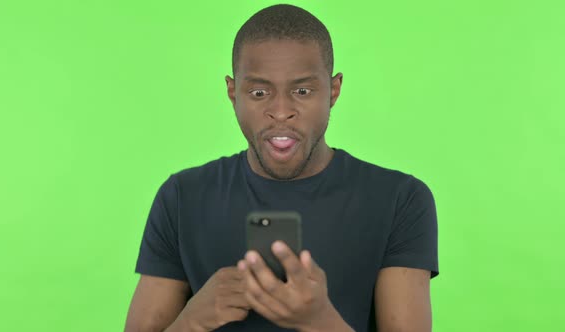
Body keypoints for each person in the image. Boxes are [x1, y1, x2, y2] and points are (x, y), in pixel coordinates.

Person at [124, 4, 438, 332]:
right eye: (259, 92)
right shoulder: (181, 197)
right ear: (233, 93)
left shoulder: (399, 199)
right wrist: (192, 320)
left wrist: (321, 321)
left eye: (302, 91)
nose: (281, 111)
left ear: (334, 90)